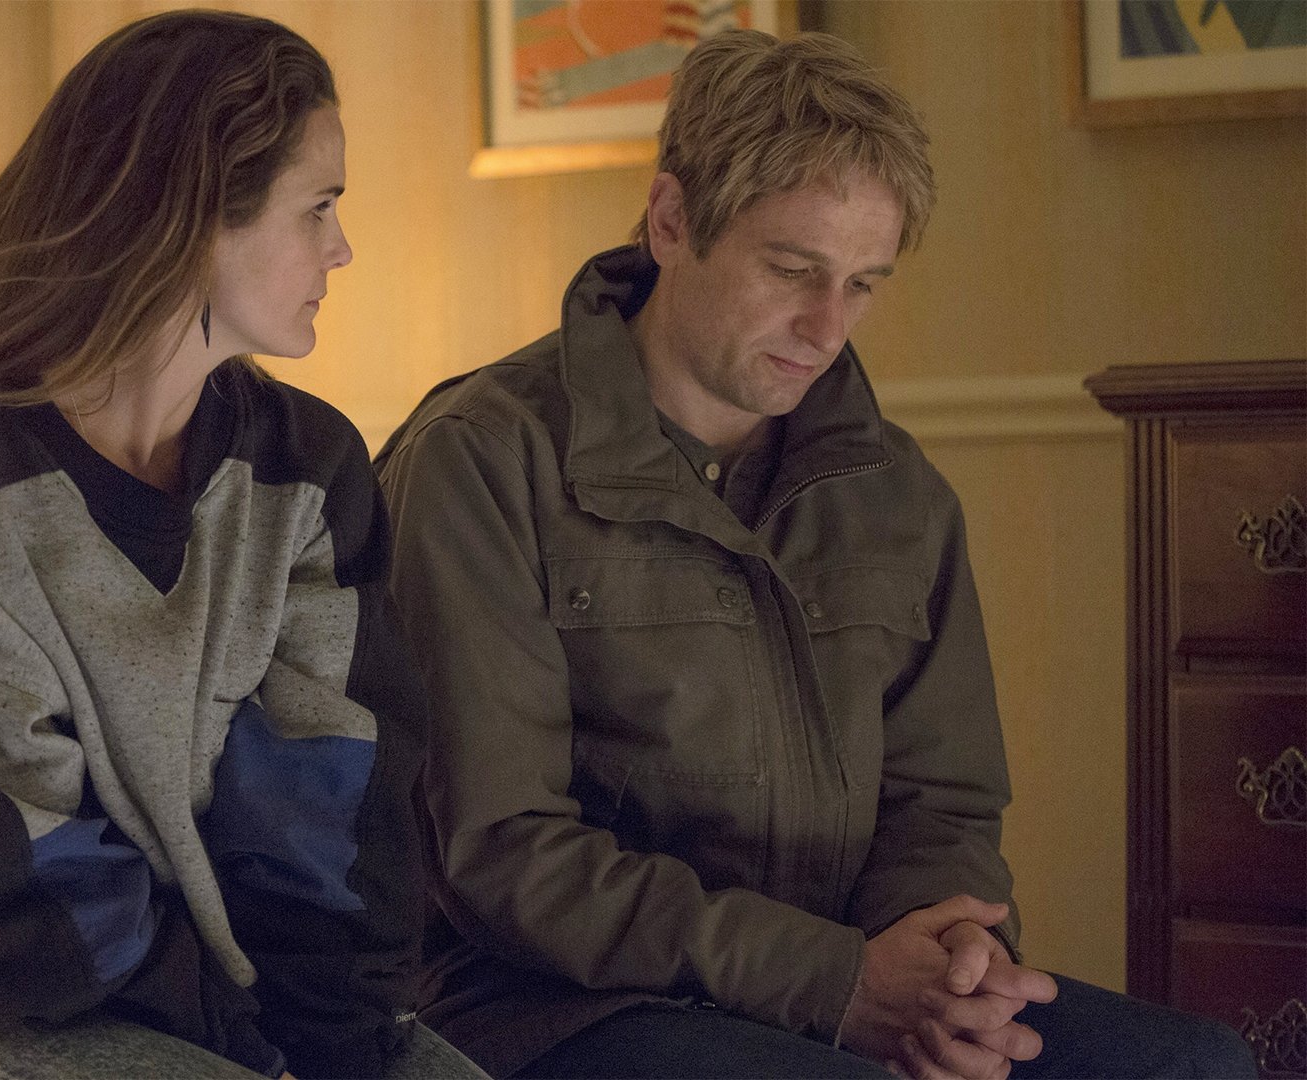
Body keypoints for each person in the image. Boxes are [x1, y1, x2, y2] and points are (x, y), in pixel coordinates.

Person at [374, 27, 1257, 1080]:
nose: (827, 327)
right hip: (545, 1006)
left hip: (839, 982)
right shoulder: (479, 460)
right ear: (671, 220)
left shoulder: (897, 489)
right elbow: (503, 852)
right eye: (792, 270)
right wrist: (838, 985)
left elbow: (943, 801)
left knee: (1193, 1066)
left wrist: (953, 968)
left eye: (863, 283)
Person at [0, 11, 482, 1080]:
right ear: (192, 215)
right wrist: (235, 1039)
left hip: (259, 1007)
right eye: (317, 208)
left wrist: (335, 1039)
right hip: (1, 997)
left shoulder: (308, 467)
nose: (342, 248)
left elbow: (329, 808)